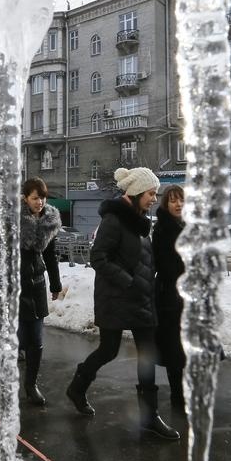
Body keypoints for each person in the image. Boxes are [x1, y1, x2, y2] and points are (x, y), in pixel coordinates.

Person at [66, 167, 179, 440]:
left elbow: (142, 259)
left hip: (141, 298)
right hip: (115, 298)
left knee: (147, 354)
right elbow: (99, 257)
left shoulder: (140, 220)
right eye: (151, 193)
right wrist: (129, 281)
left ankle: (149, 417)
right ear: (137, 192)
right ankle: (78, 387)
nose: (155, 198)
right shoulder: (114, 220)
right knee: (109, 350)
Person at [3, 177, 62, 405]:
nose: (40, 202)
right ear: (25, 198)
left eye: (43, 197)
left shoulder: (49, 222)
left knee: (36, 341)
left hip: (36, 286)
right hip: (15, 287)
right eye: (35, 198)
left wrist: (55, 284)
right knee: (17, 339)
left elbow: (51, 256)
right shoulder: (11, 221)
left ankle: (31, 385)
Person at [152, 185, 188, 411]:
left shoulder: (186, 226)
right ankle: (178, 395)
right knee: (174, 347)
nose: (178, 204)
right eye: (173, 200)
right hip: (171, 295)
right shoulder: (162, 229)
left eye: (181, 200)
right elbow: (164, 265)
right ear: (166, 204)